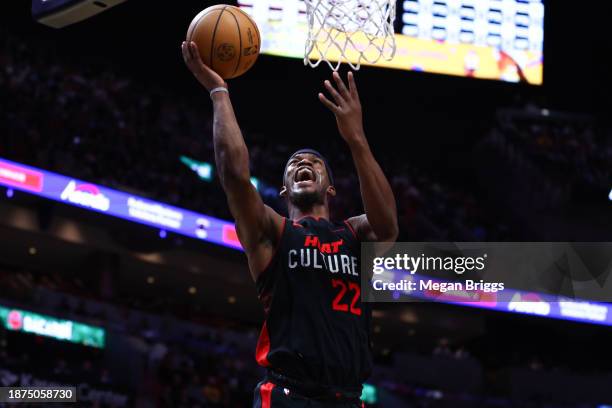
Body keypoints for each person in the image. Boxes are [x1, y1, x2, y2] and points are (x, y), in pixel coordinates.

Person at [182, 41, 398, 407]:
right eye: (295, 162)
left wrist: (356, 138)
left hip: (348, 398)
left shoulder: (355, 235)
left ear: (330, 187)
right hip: (288, 394)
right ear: (283, 188)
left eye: (315, 162)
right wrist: (219, 91)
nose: (304, 162)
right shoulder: (274, 232)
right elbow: (235, 176)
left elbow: (389, 226)